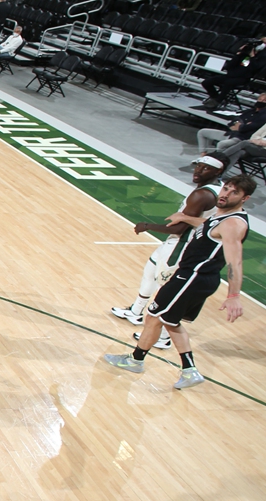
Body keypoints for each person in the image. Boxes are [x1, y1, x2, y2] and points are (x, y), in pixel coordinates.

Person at [104, 175, 255, 390]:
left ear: (245, 198)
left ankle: (136, 360)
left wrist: (233, 296)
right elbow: (209, 224)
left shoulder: (233, 224)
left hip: (192, 277)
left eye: (234, 193)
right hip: (194, 277)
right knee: (168, 320)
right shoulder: (224, 216)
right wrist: (186, 218)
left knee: (154, 316)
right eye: (226, 189)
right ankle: (188, 370)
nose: (226, 195)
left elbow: (235, 262)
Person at [110, 152, 227, 349]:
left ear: (218, 171)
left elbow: (179, 227)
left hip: (182, 245)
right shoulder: (217, 190)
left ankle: (163, 336)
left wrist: (147, 225)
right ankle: (135, 312)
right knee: (150, 271)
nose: (198, 171)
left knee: (165, 288)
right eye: (198, 166)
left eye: (205, 168)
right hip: (178, 242)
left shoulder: (203, 194)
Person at [201, 37, 266, 109]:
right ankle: (215, 97)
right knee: (206, 82)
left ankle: (218, 100)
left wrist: (252, 57)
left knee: (228, 83)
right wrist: (238, 54)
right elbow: (229, 66)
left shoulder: (263, 56)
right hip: (231, 75)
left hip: (243, 79)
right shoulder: (245, 54)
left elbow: (255, 68)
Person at [196, 93, 266, 153]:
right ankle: (203, 156)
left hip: (240, 138)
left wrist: (240, 126)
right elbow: (233, 121)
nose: (261, 102)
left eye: (264, 100)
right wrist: (240, 125)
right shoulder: (249, 111)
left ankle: (216, 162)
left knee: (222, 144)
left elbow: (247, 128)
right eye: (260, 99)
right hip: (230, 133)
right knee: (202, 132)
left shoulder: (264, 116)